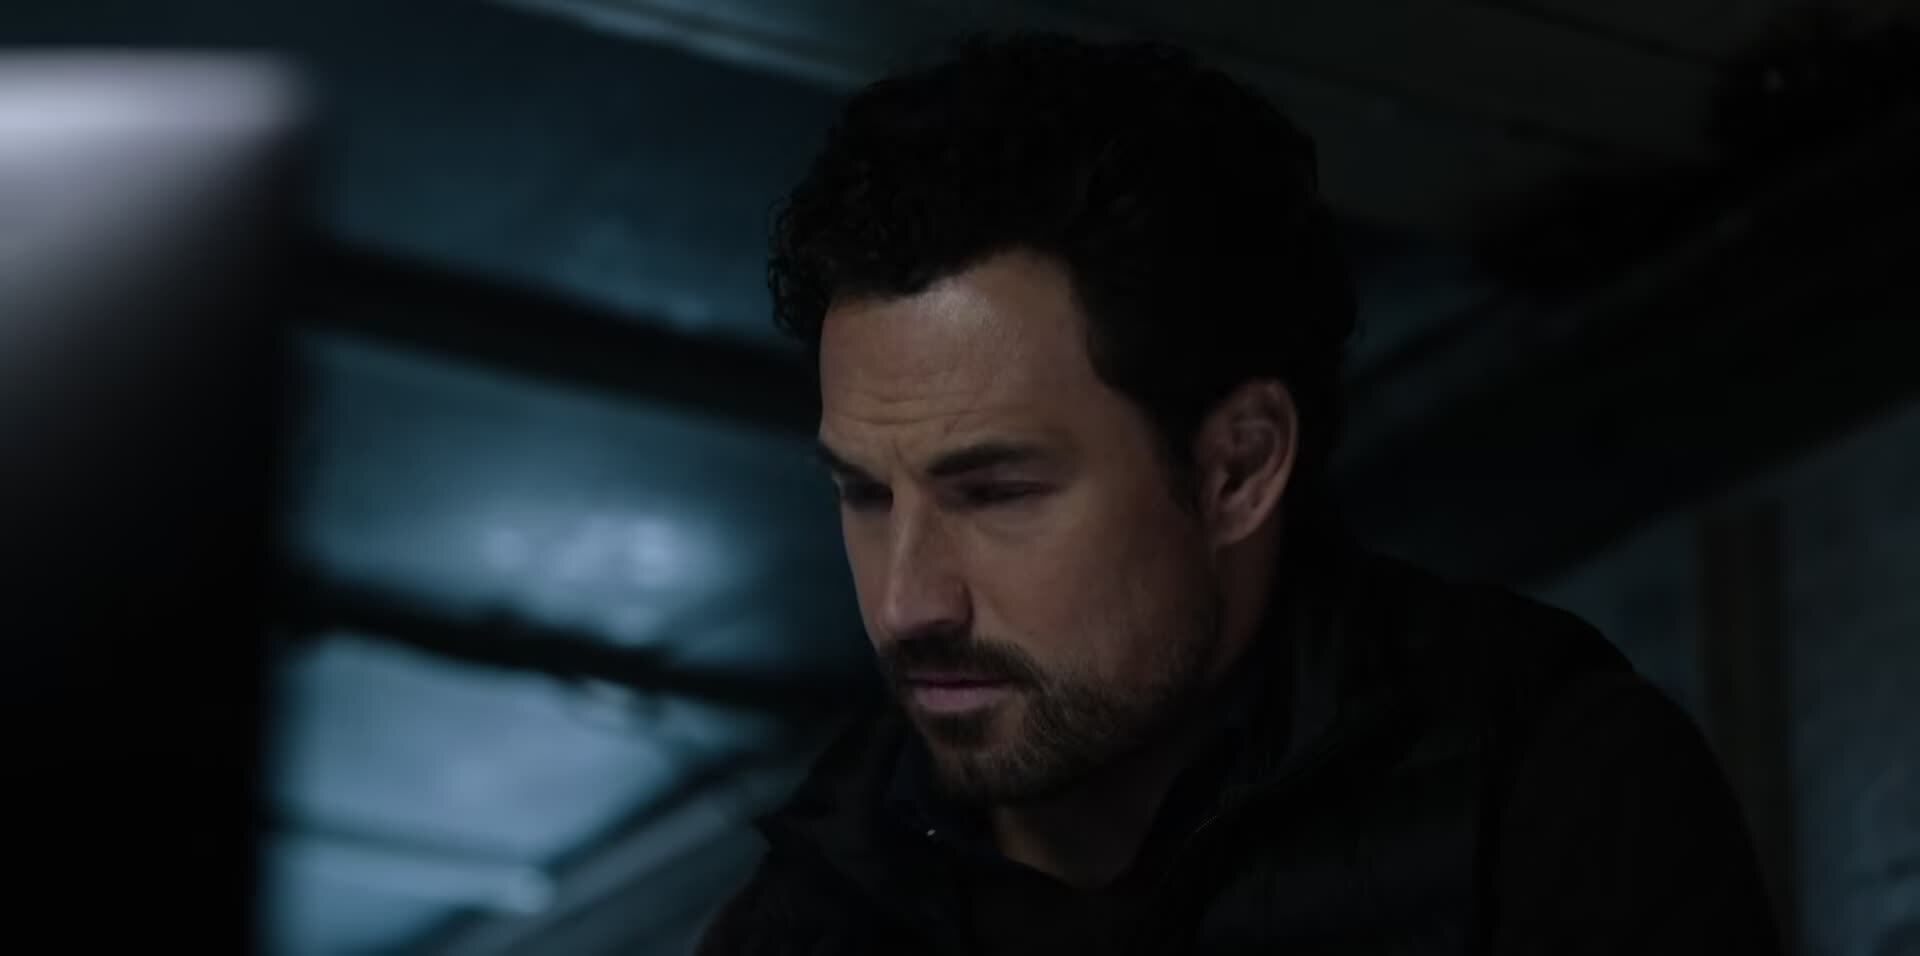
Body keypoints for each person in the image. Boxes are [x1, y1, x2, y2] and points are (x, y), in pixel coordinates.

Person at [697, 33, 1782, 956]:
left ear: (1238, 469)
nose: (907, 603)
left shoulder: (1541, 801)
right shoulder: (800, 919)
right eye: (865, 495)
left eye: (995, 492)